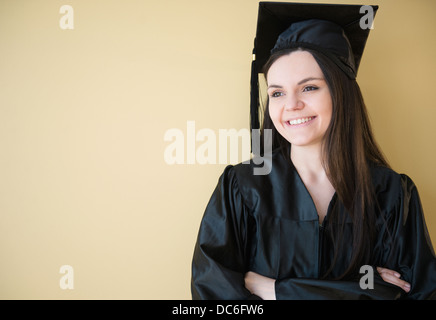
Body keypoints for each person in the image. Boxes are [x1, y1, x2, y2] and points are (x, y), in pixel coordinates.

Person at [191, 2, 436, 300]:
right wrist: (360, 292)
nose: (290, 105)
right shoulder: (242, 188)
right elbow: (214, 295)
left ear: (341, 93)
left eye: (309, 87)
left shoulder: (392, 194)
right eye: (277, 92)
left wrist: (273, 289)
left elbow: (417, 294)